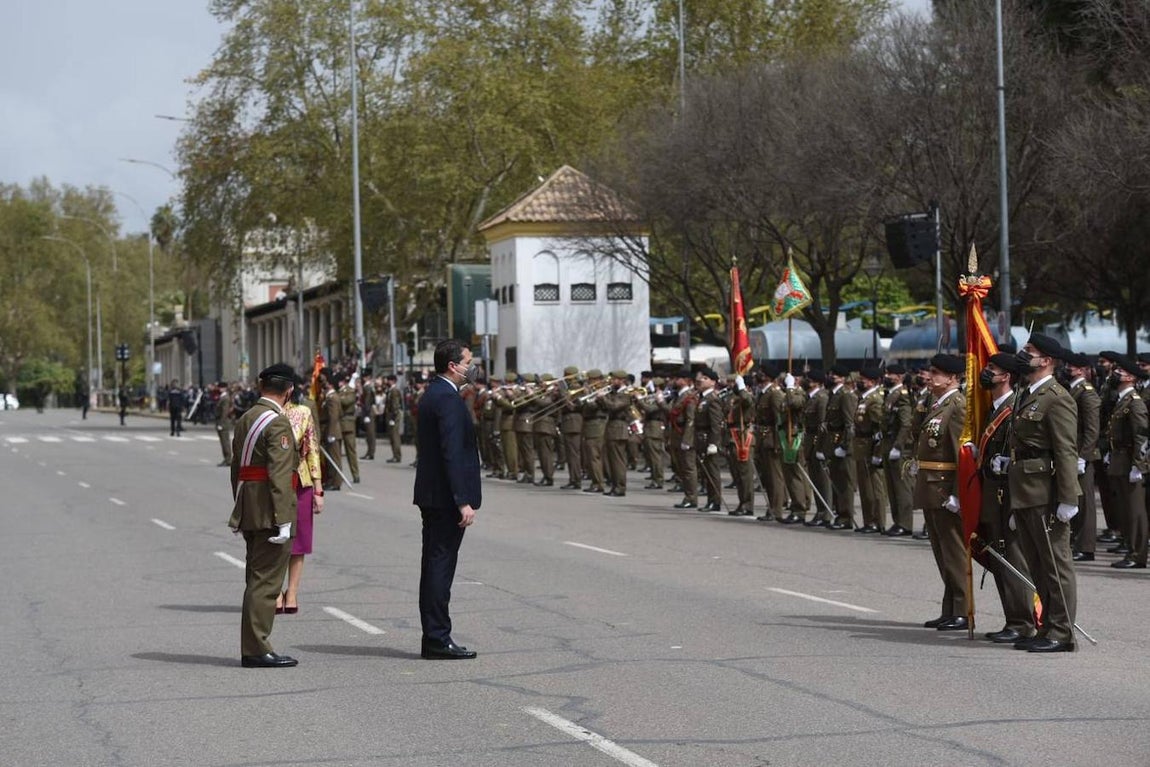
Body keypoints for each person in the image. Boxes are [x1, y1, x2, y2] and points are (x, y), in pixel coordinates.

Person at [1007, 333, 1080, 652]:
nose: (1023, 355)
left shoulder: (1057, 397)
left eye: (1030, 351)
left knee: (1054, 565)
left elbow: (1065, 450)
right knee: (1037, 564)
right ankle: (1047, 626)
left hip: (1045, 492)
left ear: (1047, 360)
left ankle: (1062, 632)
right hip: (1025, 489)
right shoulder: (1027, 393)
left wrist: (1068, 497)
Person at [413, 339, 482, 660]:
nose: (472, 366)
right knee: (440, 568)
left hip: (433, 495)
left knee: (434, 566)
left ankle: (435, 636)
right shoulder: (448, 399)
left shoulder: (435, 393)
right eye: (468, 361)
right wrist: (462, 500)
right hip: (445, 499)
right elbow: (451, 452)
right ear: (453, 366)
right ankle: (438, 638)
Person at [228, 363, 299, 668]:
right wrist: (284, 520)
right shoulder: (277, 422)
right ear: (289, 391)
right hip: (271, 511)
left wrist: (241, 503)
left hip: (250, 506)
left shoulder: (246, 417)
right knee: (266, 582)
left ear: (261, 386)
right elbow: (280, 475)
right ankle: (257, 648)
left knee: (255, 578)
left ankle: (253, 646)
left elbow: (237, 468)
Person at [976, 353, 1037, 644]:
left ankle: (1023, 622)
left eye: (993, 369)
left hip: (1008, 496)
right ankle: (1012, 619)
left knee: (1013, 559)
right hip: (992, 495)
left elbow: (1022, 453)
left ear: (1007, 377)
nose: (986, 372)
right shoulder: (993, 408)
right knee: (999, 559)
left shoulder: (1013, 409)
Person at [914, 353, 969, 632]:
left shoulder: (957, 406)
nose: (930, 376)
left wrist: (957, 493)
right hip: (931, 486)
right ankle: (949, 609)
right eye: (931, 371)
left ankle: (962, 610)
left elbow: (961, 455)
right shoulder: (937, 403)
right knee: (942, 553)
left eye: (936, 373)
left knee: (954, 553)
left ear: (952, 378)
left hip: (945, 488)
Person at [276, 376, 325, 615]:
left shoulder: (303, 412)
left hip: (301, 481)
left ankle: (292, 592)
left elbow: (312, 449)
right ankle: (276, 592)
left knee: (299, 541)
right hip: (272, 483)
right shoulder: (264, 413)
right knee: (274, 539)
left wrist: (318, 488)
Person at [1104, 354, 1148, 570]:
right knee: (1125, 510)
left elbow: (1141, 437)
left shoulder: (1135, 403)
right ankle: (1131, 549)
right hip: (1120, 460)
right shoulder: (1123, 400)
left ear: (1130, 377)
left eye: (1120, 372)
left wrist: (1138, 465)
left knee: (1135, 512)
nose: (1115, 374)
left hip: (1130, 462)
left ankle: (1138, 555)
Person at [215, 382, 235, 467]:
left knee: (225, 441)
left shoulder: (225, 398)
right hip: (221, 421)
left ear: (224, 388)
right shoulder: (223, 397)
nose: (220, 389)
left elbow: (225, 412)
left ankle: (228, 459)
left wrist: (221, 423)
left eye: (221, 387)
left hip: (223, 422)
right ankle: (226, 458)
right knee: (223, 441)